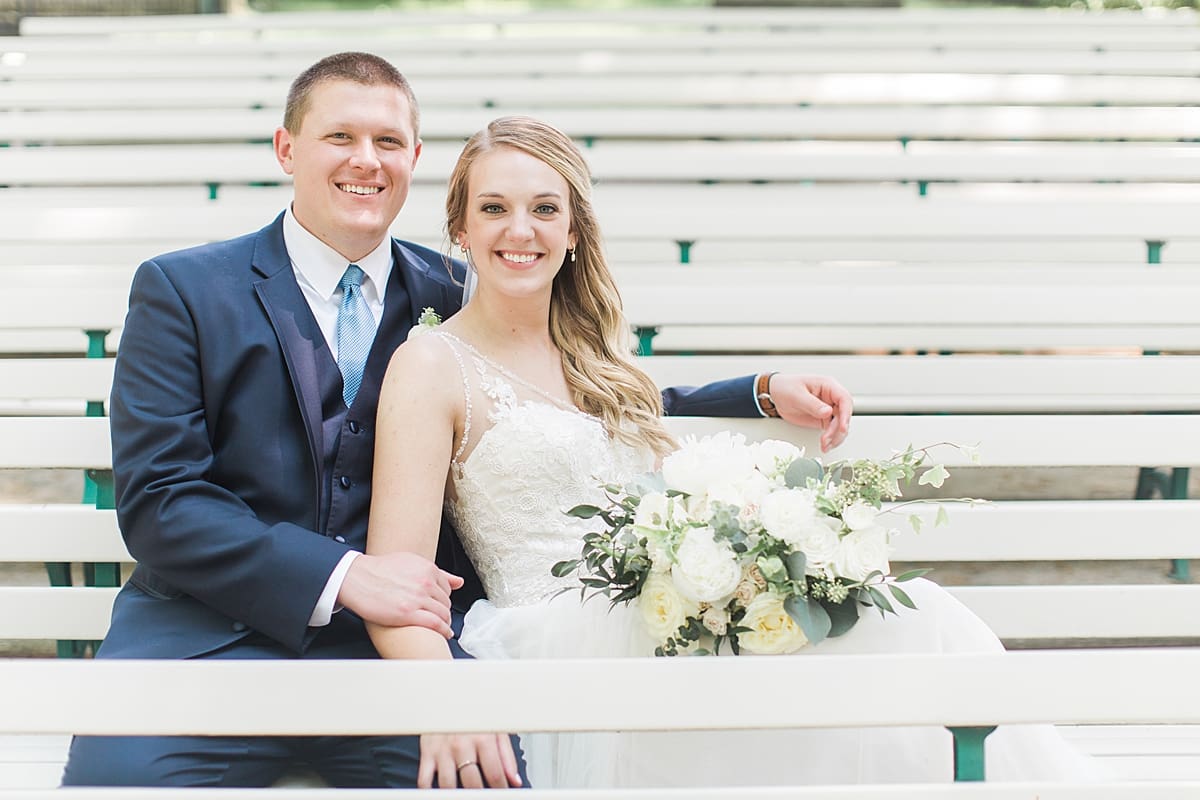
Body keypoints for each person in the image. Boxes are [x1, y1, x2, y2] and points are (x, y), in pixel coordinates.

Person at [62, 53, 851, 789]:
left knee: (498, 774)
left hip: (406, 653)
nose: (365, 159)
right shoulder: (183, 290)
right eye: (340, 135)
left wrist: (754, 390)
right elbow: (163, 502)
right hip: (209, 641)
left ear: (413, 159)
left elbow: (563, 397)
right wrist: (342, 576)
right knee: (115, 789)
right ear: (286, 148)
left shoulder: (461, 280)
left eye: (388, 141)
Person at [365, 115, 1104, 788]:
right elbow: (394, 581)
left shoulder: (600, 359)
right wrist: (447, 699)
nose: (518, 230)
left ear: (574, 233)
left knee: (923, 621)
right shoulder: (431, 365)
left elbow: (675, 487)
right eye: (493, 208)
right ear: (459, 228)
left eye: (544, 209)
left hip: (675, 615)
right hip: (559, 643)